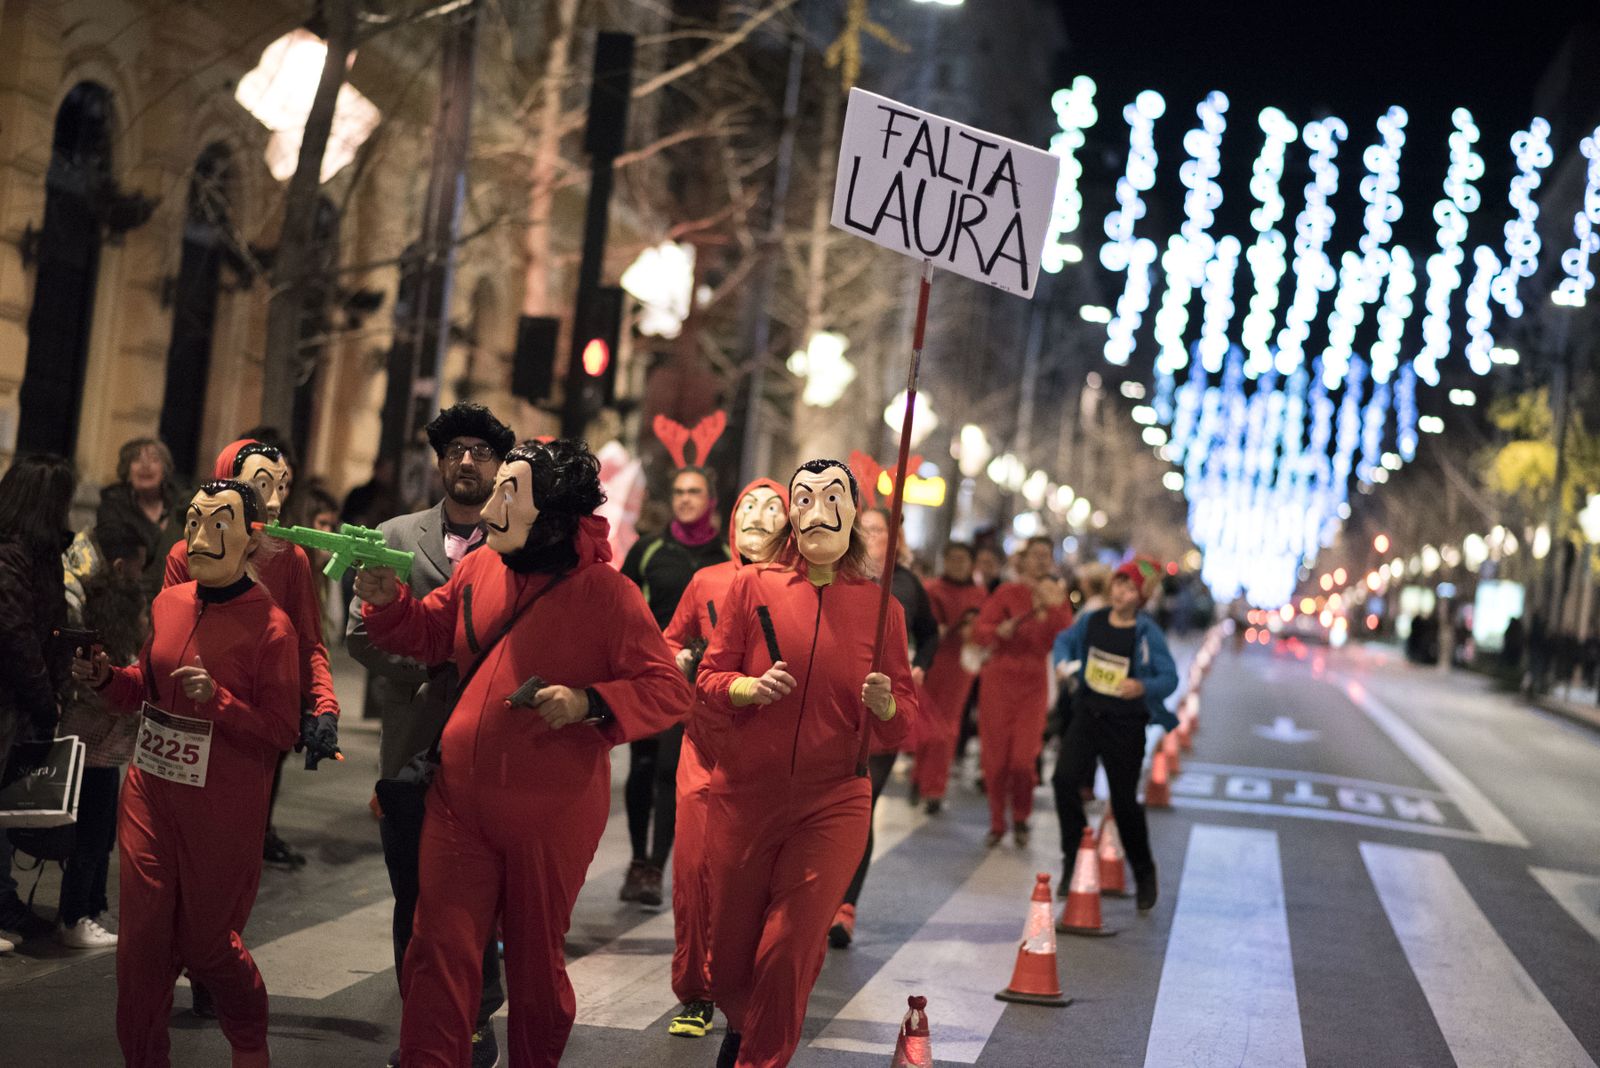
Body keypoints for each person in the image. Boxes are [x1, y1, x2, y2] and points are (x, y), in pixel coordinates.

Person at [353, 439, 691, 1068]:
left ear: (554, 512)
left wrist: (590, 702)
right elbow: (431, 632)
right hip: (457, 802)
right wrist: (385, 602)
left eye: (510, 492)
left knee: (536, 965)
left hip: (550, 812)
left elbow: (668, 690)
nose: (488, 508)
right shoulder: (480, 567)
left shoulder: (608, 595)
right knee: (437, 950)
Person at [697, 458, 917, 1068]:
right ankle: (743, 1032)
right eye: (805, 497)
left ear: (854, 513)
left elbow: (906, 727)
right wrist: (745, 688)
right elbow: (710, 677)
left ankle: (760, 1056)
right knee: (731, 955)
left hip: (834, 800)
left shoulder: (883, 610)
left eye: (832, 496)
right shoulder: (752, 586)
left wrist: (888, 703)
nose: (817, 508)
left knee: (790, 947)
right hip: (745, 794)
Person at [75, 478, 301, 1068]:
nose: (200, 535)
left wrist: (219, 701)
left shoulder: (273, 628)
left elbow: (282, 730)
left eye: (218, 522)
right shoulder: (168, 603)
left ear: (253, 541)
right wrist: (104, 679)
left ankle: (249, 1040)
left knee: (207, 948)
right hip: (149, 795)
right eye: (193, 521)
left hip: (221, 812)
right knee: (141, 953)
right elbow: (141, 689)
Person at [346, 401, 515, 1068]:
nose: (466, 461)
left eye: (479, 451)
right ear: (439, 463)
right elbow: (361, 634)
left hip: (490, 753)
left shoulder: (516, 543)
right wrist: (429, 660)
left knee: (481, 897)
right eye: (455, 451)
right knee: (412, 891)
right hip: (413, 743)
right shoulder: (392, 535)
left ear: (500, 467)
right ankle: (423, 1023)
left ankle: (477, 1013)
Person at [165, 439, 341, 873]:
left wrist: (325, 707)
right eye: (263, 485)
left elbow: (308, 642)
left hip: (252, 727)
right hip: (189, 724)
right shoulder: (185, 554)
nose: (276, 501)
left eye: (283, 486)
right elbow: (168, 639)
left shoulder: (292, 559)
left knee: (228, 863)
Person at [659, 476, 788, 1039]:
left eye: (772, 506)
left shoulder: (797, 589)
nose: (757, 515)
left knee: (745, 881)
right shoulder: (705, 580)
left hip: (766, 760)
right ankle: (695, 991)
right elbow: (665, 642)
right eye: (748, 506)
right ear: (731, 518)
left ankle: (741, 984)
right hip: (702, 749)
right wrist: (679, 659)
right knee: (691, 872)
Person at [618, 465, 731, 906]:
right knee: (642, 767)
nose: (685, 498)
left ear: (710, 499)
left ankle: (655, 867)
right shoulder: (649, 550)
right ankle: (636, 856)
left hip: (698, 684)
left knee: (670, 769)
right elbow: (621, 605)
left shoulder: (726, 555)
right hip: (648, 675)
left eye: (694, 491)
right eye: (679, 491)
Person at [829, 505, 938, 949]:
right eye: (866, 528)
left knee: (862, 807)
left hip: (884, 710)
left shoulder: (906, 586)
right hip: (837, 712)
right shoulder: (835, 578)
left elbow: (930, 634)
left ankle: (845, 908)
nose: (872, 536)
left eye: (880, 530)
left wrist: (920, 667)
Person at [1050, 558, 1178, 911]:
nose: (1121, 592)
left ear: (1141, 596)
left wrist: (1142, 686)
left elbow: (1170, 679)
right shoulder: (1092, 620)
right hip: (1087, 715)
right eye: (1118, 584)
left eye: (1130, 587)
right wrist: (1062, 664)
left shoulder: (1145, 632)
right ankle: (1072, 859)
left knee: (1123, 803)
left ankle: (1143, 870)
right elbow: (1064, 641)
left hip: (1125, 724)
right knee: (1063, 780)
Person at [55, 521, 150, 949]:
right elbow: (99, 690)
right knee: (90, 838)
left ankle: (91, 908)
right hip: (91, 748)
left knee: (100, 836)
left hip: (105, 750)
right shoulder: (108, 625)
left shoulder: (107, 612)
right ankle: (75, 916)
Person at [0, 453, 76, 949]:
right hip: (10, 698)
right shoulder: (12, 552)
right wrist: (43, 697)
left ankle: (3, 900)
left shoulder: (39, 550)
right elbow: (14, 629)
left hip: (19, 699)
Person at [972, 535, 1073, 847]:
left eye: (1047, 554)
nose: (1041, 560)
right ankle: (997, 822)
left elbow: (1066, 636)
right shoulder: (1007, 592)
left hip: (1033, 682)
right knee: (995, 758)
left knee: (1023, 759)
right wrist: (996, 631)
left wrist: (1050, 610)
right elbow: (979, 631)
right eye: (1036, 554)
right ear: (1024, 559)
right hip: (999, 680)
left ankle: (1021, 815)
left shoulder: (1057, 597)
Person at [914, 542, 988, 815]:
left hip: (960, 665)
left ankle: (934, 786)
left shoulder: (980, 594)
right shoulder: (931, 589)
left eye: (963, 559)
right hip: (934, 661)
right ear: (944, 560)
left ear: (971, 564)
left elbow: (982, 630)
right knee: (926, 719)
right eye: (952, 558)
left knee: (948, 725)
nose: (958, 564)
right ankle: (920, 777)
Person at [96, 438, 187, 602]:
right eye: (137, 460)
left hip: (175, 594)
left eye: (154, 459)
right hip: (128, 597)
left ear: (164, 470)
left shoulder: (182, 506)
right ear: (126, 471)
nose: (146, 466)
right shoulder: (113, 506)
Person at [1053, 563, 1111, 803]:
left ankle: (1081, 783)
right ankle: (1085, 782)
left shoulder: (1093, 611)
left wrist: (1069, 667)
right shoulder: (1098, 609)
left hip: (1083, 682)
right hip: (1088, 680)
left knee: (1080, 734)